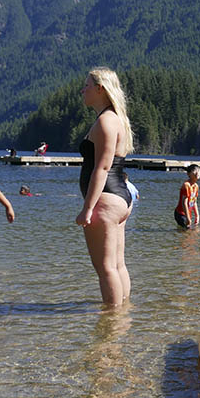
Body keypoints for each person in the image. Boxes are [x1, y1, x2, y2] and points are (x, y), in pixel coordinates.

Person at [76, 67, 135, 306]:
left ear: (100, 89)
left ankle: (111, 328)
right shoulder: (115, 118)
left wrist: (87, 209)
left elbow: (101, 168)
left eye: (87, 86)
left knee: (106, 268)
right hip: (119, 196)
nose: (83, 90)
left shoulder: (106, 122)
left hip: (106, 200)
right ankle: (123, 316)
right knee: (117, 264)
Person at [174, 164, 200, 229]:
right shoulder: (186, 185)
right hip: (180, 213)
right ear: (188, 174)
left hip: (187, 214)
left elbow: (194, 202)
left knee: (194, 230)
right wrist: (188, 218)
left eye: (199, 171)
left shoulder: (196, 186)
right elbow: (184, 203)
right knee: (187, 231)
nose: (197, 172)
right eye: (194, 171)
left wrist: (197, 216)